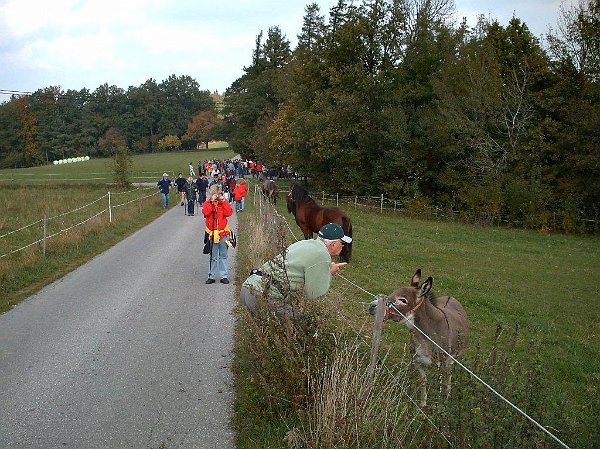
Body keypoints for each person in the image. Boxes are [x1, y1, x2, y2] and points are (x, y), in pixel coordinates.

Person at [240, 222, 351, 317]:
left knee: (268, 332)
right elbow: (314, 293)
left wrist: (323, 269)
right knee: (299, 326)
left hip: (250, 286)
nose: (343, 246)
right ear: (333, 244)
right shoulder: (322, 254)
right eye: (342, 243)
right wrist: (329, 273)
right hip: (263, 295)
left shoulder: (306, 243)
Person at [202, 184, 234, 284]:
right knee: (213, 256)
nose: (217, 196)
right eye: (215, 194)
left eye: (219, 193)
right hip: (212, 234)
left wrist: (223, 201)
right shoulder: (207, 203)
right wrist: (211, 202)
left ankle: (224, 276)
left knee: (223, 256)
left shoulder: (223, 203)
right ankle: (212, 275)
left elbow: (229, 213)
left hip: (223, 233)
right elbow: (206, 213)